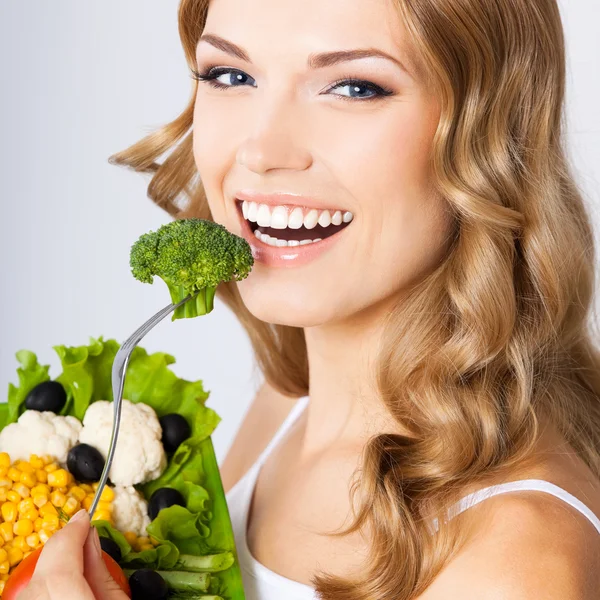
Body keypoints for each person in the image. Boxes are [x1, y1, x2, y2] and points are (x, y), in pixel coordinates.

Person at [20, 0, 600, 598]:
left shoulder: (517, 560)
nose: (261, 151)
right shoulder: (287, 405)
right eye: (231, 75)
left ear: (491, 131)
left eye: (353, 86)